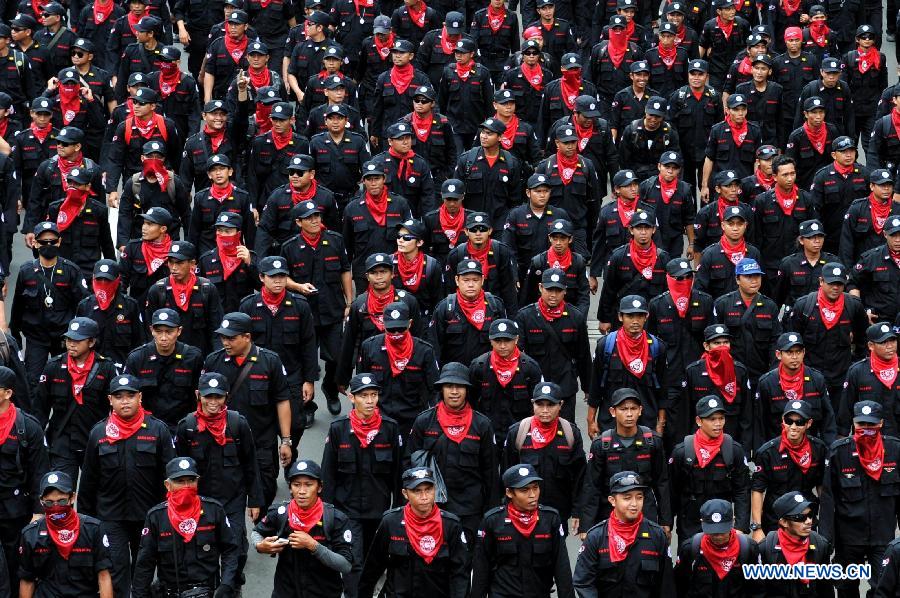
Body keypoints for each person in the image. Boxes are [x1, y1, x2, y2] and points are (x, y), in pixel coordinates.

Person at [77, 373, 175, 597]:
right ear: (110, 400)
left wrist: (167, 514)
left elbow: (169, 477)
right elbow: (89, 481)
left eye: (130, 395)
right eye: (119, 396)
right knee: (115, 569)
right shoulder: (98, 433)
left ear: (140, 397)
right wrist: (85, 521)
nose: (125, 401)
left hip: (148, 516)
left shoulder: (157, 430)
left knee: (144, 570)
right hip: (111, 517)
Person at [176, 372, 263, 589]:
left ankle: (232, 584)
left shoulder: (237, 424)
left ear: (226, 396)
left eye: (218, 397)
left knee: (237, 547)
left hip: (232, 499)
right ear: (198, 395)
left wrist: (255, 500)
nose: (213, 402)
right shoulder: (187, 427)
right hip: (201, 501)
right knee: (204, 550)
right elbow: (179, 468)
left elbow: (250, 463)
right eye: (208, 397)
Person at [321, 372, 403, 597]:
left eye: (374, 395)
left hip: (379, 512)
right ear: (352, 398)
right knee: (353, 562)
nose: (369, 401)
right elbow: (327, 474)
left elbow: (397, 476)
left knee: (375, 562)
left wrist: (400, 510)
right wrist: (326, 514)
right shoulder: (339, 429)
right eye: (364, 395)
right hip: (348, 511)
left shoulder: (390, 429)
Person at [406, 361, 498, 539]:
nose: (454, 392)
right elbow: (408, 465)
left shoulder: (482, 424)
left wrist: (490, 514)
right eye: (449, 386)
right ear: (441, 389)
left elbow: (491, 473)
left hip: (470, 510)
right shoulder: (424, 422)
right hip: (432, 507)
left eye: (459, 387)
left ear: (467, 390)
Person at [820, 400, 900, 598]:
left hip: (883, 536)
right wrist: (825, 540)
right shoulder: (839, 451)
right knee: (846, 587)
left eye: (871, 424)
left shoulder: (895, 449)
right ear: (853, 424)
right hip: (848, 537)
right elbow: (828, 498)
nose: (866, 429)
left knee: (882, 587)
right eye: (861, 424)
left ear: (881, 423)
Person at [130, 457, 241, 597]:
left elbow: (230, 550)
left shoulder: (214, 510)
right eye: (180, 481)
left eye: (191, 480)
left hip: (209, 591)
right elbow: (145, 563)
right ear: (167, 485)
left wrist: (226, 585)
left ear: (197, 482)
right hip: (170, 592)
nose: (186, 486)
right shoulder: (156, 517)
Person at [279, 200, 351, 415]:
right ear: (299, 222)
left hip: (332, 310)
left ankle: (330, 389)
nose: (315, 220)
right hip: (302, 314)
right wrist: (298, 287)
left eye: (317, 216)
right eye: (309, 218)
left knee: (336, 357)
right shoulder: (289, 247)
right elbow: (282, 278)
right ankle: (307, 405)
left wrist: (349, 301)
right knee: (305, 359)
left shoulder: (335, 241)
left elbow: (345, 270)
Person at [359, 466, 470, 598]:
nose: (424, 497)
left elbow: (460, 573)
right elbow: (372, 569)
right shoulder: (391, 522)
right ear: (405, 493)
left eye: (428, 490)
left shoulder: (451, 524)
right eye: (417, 491)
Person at [239, 255, 317, 433]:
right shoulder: (248, 307)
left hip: (291, 376)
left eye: (282, 276)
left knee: (296, 425)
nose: (278, 281)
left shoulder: (300, 306)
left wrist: (309, 380)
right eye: (272, 276)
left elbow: (309, 344)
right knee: (260, 429)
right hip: (257, 376)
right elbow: (241, 345)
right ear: (261, 277)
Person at [470, 463, 573, 598]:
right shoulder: (492, 521)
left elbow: (562, 567)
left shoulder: (550, 519)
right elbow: (481, 569)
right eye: (524, 490)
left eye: (535, 488)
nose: (532, 495)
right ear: (509, 493)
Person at [253, 459, 353, 597]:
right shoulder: (280, 512)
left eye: (308, 485)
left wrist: (313, 545)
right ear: (290, 488)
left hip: (323, 592)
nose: (301, 491)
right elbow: (257, 532)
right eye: (296, 485)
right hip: (286, 591)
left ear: (319, 487)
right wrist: (260, 546)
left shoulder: (336, 519)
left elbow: (345, 565)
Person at [33, 317, 115, 482]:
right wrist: (37, 439)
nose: (71, 344)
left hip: (95, 442)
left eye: (77, 340)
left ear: (91, 342)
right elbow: (40, 406)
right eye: (69, 339)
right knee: (61, 489)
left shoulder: (106, 368)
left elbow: (114, 408)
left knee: (96, 493)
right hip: (62, 442)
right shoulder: (54, 366)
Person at [580, 388, 671, 535]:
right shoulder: (602, 445)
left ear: (640, 410)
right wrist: (586, 527)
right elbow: (592, 486)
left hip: (644, 513)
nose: (629, 414)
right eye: (623, 409)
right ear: (613, 412)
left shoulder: (652, 442)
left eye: (633, 408)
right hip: (609, 513)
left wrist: (665, 521)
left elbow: (662, 482)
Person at [572, 470, 674, 598]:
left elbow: (666, 586)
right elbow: (583, 582)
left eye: (639, 497)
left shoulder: (657, 535)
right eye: (627, 498)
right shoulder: (596, 536)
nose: (634, 504)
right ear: (612, 500)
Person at [502, 381, 586, 529]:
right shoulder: (518, 433)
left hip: (559, 512)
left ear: (560, 405)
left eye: (551, 405)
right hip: (521, 512)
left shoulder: (570, 434)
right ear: (532, 404)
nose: (545, 410)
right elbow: (506, 473)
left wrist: (578, 512)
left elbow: (580, 477)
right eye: (540, 405)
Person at [18, 471, 113, 598]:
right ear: (41, 502)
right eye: (49, 503)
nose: (56, 507)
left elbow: (103, 577)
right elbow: (27, 580)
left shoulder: (93, 529)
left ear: (72, 497)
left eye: (62, 501)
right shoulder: (31, 535)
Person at [668, 395, 751, 538]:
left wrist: (740, 527)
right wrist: (667, 524)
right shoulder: (682, 452)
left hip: (722, 525)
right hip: (690, 524)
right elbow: (671, 492)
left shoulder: (733, 450)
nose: (718, 423)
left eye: (721, 418)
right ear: (699, 421)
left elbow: (742, 490)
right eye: (712, 419)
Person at [516, 268, 592, 425]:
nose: (553, 294)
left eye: (558, 290)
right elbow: (518, 355)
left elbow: (583, 355)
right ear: (540, 288)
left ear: (565, 291)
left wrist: (588, 388)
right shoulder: (525, 316)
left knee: (565, 432)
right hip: (535, 388)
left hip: (565, 386)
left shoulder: (575, 317)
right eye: (549, 289)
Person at [786, 262, 868, 403]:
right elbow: (791, 341)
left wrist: (855, 364)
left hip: (841, 376)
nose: (835, 288)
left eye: (840, 283)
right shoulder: (804, 306)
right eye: (831, 283)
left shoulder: (854, 306)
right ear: (821, 281)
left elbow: (863, 339)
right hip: (809, 376)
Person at [357, 301, 439, 437]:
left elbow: (434, 390)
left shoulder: (424, 351)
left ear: (410, 324)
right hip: (378, 418)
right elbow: (360, 387)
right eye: (391, 329)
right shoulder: (369, 348)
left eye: (401, 329)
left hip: (413, 420)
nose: (396, 333)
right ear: (383, 324)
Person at [0, 365, 48, 596]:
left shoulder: (27, 427)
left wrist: (39, 512)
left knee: (13, 561)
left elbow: (40, 472)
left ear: (8, 393)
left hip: (14, 508)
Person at [589, 295, 666, 436]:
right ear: (620, 317)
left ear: (646, 317)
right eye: (630, 316)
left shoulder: (657, 347)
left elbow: (662, 389)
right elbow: (595, 386)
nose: (635, 321)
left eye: (640, 316)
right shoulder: (606, 346)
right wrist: (591, 419)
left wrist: (660, 422)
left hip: (646, 421)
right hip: (611, 420)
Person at [751, 400, 827, 538]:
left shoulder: (819, 449)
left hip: (806, 519)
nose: (793, 426)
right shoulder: (767, 452)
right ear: (783, 421)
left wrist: (826, 523)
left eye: (799, 422)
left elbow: (822, 487)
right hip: (775, 519)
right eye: (788, 421)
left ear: (808, 423)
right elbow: (757, 490)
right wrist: (757, 528)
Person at [755, 332, 837, 449]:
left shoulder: (816, 379)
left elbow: (828, 419)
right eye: (789, 352)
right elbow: (760, 424)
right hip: (777, 450)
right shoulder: (767, 383)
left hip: (812, 448)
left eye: (798, 352)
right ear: (778, 354)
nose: (795, 357)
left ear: (804, 353)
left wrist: (830, 450)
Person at [711, 257, 782, 391]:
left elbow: (775, 341)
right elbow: (713, 339)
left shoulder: (770, 306)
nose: (754, 281)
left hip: (761, 373)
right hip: (731, 373)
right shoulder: (723, 304)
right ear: (737, 279)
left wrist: (773, 371)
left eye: (757, 276)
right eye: (748, 277)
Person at [468, 318, 542, 444]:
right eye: (498, 341)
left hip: (519, 433)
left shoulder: (530, 367)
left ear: (516, 340)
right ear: (490, 341)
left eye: (507, 340)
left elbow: (537, 404)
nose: (502, 346)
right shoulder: (479, 367)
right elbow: (471, 402)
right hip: (487, 433)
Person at [343, 161, 414, 291]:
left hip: (394, 270)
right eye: (369, 179)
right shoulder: (352, 208)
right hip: (364, 273)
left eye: (377, 178)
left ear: (384, 179)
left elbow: (411, 237)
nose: (373, 183)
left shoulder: (400, 204)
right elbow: (347, 245)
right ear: (363, 181)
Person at [145, 241, 225, 355]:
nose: (173, 268)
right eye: (170, 262)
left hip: (199, 356)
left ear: (192, 264)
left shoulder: (206, 289)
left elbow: (216, 328)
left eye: (179, 263)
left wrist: (216, 357)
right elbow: (150, 331)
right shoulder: (157, 291)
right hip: (167, 356)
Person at [532, 125, 602, 256]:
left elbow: (594, 200)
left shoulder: (587, 165)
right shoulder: (545, 166)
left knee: (580, 263)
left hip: (578, 228)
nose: (570, 146)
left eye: (573, 142)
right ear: (557, 143)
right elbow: (535, 200)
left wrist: (593, 229)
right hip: (551, 230)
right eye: (565, 142)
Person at [679, 325, 752, 448]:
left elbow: (747, 413)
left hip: (732, 439)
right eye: (717, 343)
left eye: (726, 342)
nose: (722, 347)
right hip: (700, 441)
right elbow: (686, 412)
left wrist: (745, 447)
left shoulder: (740, 371)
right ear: (706, 346)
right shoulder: (693, 371)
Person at [598, 209, 669, 330]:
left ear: (654, 230)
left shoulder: (663, 258)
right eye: (639, 228)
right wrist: (605, 319)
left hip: (653, 317)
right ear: (631, 230)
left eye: (647, 228)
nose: (643, 232)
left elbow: (668, 291)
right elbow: (609, 289)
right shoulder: (618, 256)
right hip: (625, 316)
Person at [255, 154, 339, 256]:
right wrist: (261, 262)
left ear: (311, 174)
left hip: (318, 252)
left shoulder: (325, 197)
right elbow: (264, 229)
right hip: (285, 253)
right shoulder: (278, 195)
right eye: (291, 172)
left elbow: (334, 230)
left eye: (299, 172)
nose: (294, 176)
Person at [429, 259, 507, 368]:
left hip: (486, 372)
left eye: (475, 280)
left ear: (482, 280)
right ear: (457, 280)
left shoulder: (495, 306)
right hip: (455, 376)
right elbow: (435, 346)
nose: (471, 285)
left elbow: (505, 342)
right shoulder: (445, 308)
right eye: (466, 280)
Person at [117, 140, 192, 251]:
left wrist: (187, 243)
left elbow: (186, 214)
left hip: (169, 244)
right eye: (150, 156)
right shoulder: (134, 183)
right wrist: (123, 242)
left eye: (158, 157)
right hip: (141, 242)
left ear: (164, 159)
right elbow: (125, 214)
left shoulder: (173, 182)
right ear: (142, 158)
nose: (154, 160)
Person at [757, 491, 834, 598]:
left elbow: (826, 589)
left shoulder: (821, 544)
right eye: (800, 517)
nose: (808, 521)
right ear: (783, 522)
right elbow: (759, 591)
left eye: (810, 515)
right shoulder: (765, 548)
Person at [673, 499, 757, 597]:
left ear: (733, 521)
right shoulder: (691, 548)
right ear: (702, 523)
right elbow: (680, 585)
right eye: (713, 532)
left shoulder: (748, 548)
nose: (718, 537)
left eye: (723, 531)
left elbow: (757, 589)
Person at [452, 118, 523, 232]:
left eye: (489, 134)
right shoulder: (467, 159)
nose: (483, 136)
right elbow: (456, 193)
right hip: (471, 224)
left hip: (500, 224)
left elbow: (515, 199)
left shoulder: (511, 163)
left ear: (500, 137)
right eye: (483, 132)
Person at [501, 173, 572, 283]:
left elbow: (570, 248)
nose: (542, 195)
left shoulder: (559, 215)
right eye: (538, 191)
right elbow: (508, 249)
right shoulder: (516, 215)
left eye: (546, 191)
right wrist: (513, 276)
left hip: (554, 275)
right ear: (528, 193)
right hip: (524, 275)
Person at [667, 59, 723, 195]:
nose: (696, 78)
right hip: (684, 152)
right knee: (685, 191)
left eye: (700, 74)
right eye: (693, 74)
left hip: (707, 153)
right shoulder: (678, 97)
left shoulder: (714, 97)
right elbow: (670, 126)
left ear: (707, 77)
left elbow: (720, 124)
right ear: (688, 75)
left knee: (708, 190)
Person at [444, 212, 519, 313]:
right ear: (466, 231)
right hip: (463, 309)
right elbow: (450, 288)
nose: (478, 234)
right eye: (473, 230)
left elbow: (508, 290)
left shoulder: (501, 252)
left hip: (494, 309)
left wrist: (511, 318)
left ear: (490, 231)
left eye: (483, 229)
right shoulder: (456, 255)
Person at [836, 324, 900, 436]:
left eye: (893, 340)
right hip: (867, 438)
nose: (890, 346)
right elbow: (846, 409)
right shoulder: (857, 371)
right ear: (871, 345)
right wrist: (842, 436)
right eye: (883, 342)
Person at [521, 219, 590, 324]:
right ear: (549, 238)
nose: (558, 243)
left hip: (570, 318)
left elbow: (583, 295)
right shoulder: (538, 262)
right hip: (542, 318)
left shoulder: (578, 262)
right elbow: (528, 294)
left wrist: (579, 320)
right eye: (555, 238)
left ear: (570, 239)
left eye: (563, 238)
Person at [701, 94, 763, 201]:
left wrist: (756, 184)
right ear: (727, 110)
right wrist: (704, 186)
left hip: (745, 185)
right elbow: (709, 158)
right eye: (736, 109)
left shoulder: (754, 130)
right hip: (722, 186)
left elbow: (757, 161)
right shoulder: (717, 130)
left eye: (743, 109)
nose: (740, 113)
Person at [772, 219, 840, 310]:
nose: (817, 241)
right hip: (796, 315)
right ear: (801, 240)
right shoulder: (789, 263)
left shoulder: (833, 262)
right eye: (811, 237)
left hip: (824, 314)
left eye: (820, 236)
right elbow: (778, 296)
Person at [199, 212, 259, 313]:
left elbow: (262, 287)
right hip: (216, 318)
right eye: (219, 231)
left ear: (238, 234)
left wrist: (250, 265)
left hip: (242, 316)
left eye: (228, 231)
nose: (223, 235)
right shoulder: (206, 259)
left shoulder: (250, 257)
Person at [848, 215, 900, 324]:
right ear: (885, 234)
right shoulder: (871, 258)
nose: (898, 240)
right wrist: (861, 311)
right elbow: (852, 283)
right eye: (893, 235)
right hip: (879, 322)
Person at [118, 207, 174, 303]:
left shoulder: (175, 251)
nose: (144, 227)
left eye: (149, 224)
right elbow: (122, 279)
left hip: (166, 305)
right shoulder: (132, 247)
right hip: (138, 304)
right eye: (144, 223)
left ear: (163, 229)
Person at [785, 96, 840, 190]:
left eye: (821, 112)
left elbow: (838, 158)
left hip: (830, 183)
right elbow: (790, 164)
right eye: (814, 113)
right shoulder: (796, 136)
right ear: (806, 114)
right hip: (805, 184)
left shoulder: (832, 130)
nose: (818, 116)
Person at [392, 219, 444, 317]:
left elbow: (438, 300)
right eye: (399, 236)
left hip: (424, 319)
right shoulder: (389, 263)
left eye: (407, 237)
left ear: (419, 242)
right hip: (396, 319)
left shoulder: (432, 265)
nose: (400, 240)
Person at [424, 178, 471, 268]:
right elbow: (425, 247)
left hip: (464, 263)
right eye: (448, 199)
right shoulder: (431, 219)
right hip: (438, 264)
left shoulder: (470, 218)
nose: (452, 204)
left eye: (456, 199)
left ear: (463, 196)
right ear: (442, 196)